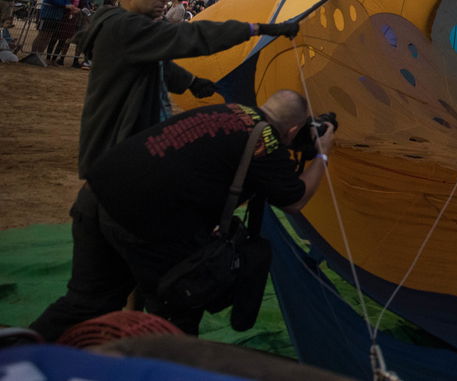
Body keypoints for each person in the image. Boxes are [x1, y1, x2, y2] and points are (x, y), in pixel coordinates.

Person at [30, 89, 334, 339]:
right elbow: (294, 200)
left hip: (98, 192)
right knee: (177, 316)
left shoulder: (229, 112)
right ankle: (164, 367)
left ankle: (17, 356)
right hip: (146, 220)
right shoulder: (266, 143)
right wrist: (322, 152)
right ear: (293, 129)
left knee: (87, 302)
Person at [74, 0, 300, 180]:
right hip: (117, 154)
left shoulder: (131, 29)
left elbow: (156, 64)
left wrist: (192, 82)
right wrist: (259, 28)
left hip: (133, 146)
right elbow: (191, 36)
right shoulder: (124, 28)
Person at [26, 0, 74, 65]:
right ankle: (33, 54)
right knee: (42, 34)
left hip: (57, 15)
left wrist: (68, 5)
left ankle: (39, 55)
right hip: (47, 13)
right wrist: (65, 5)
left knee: (48, 36)